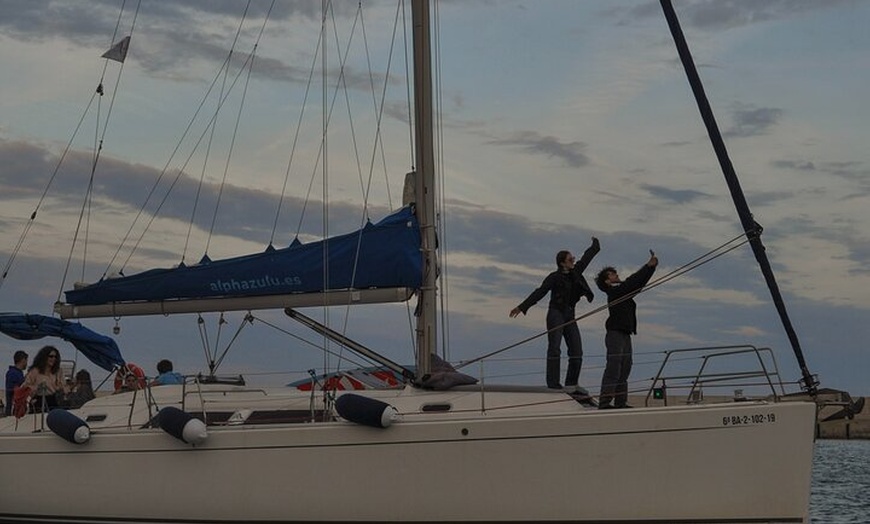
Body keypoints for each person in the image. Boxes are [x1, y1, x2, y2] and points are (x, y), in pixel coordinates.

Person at [510, 237, 600, 389]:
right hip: (556, 313)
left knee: (577, 351)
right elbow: (540, 292)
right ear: (562, 263)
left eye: (573, 258)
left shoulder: (576, 272)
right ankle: (553, 384)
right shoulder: (554, 277)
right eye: (570, 259)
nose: (573, 261)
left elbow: (586, 259)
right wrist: (522, 306)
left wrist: (595, 247)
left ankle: (571, 384)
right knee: (554, 348)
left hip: (570, 314)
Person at [595, 249, 658, 409]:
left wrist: (650, 269)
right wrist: (648, 266)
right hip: (615, 334)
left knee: (625, 368)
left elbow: (636, 285)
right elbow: (632, 283)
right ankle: (604, 402)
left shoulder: (622, 291)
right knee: (614, 367)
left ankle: (620, 402)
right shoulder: (615, 293)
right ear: (607, 282)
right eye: (612, 275)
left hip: (625, 334)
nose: (616, 276)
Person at [20, 345, 66, 412]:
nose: (53, 359)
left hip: (54, 401)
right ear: (44, 357)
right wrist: (37, 388)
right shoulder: (34, 371)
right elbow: (25, 387)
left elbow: (63, 386)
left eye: (55, 357)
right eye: (51, 356)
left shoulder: (58, 371)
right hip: (38, 401)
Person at [4, 350, 28, 416]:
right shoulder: (12, 373)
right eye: (26, 361)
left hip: (18, 409)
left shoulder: (19, 373)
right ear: (23, 360)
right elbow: (11, 390)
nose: (26, 363)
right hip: (14, 410)